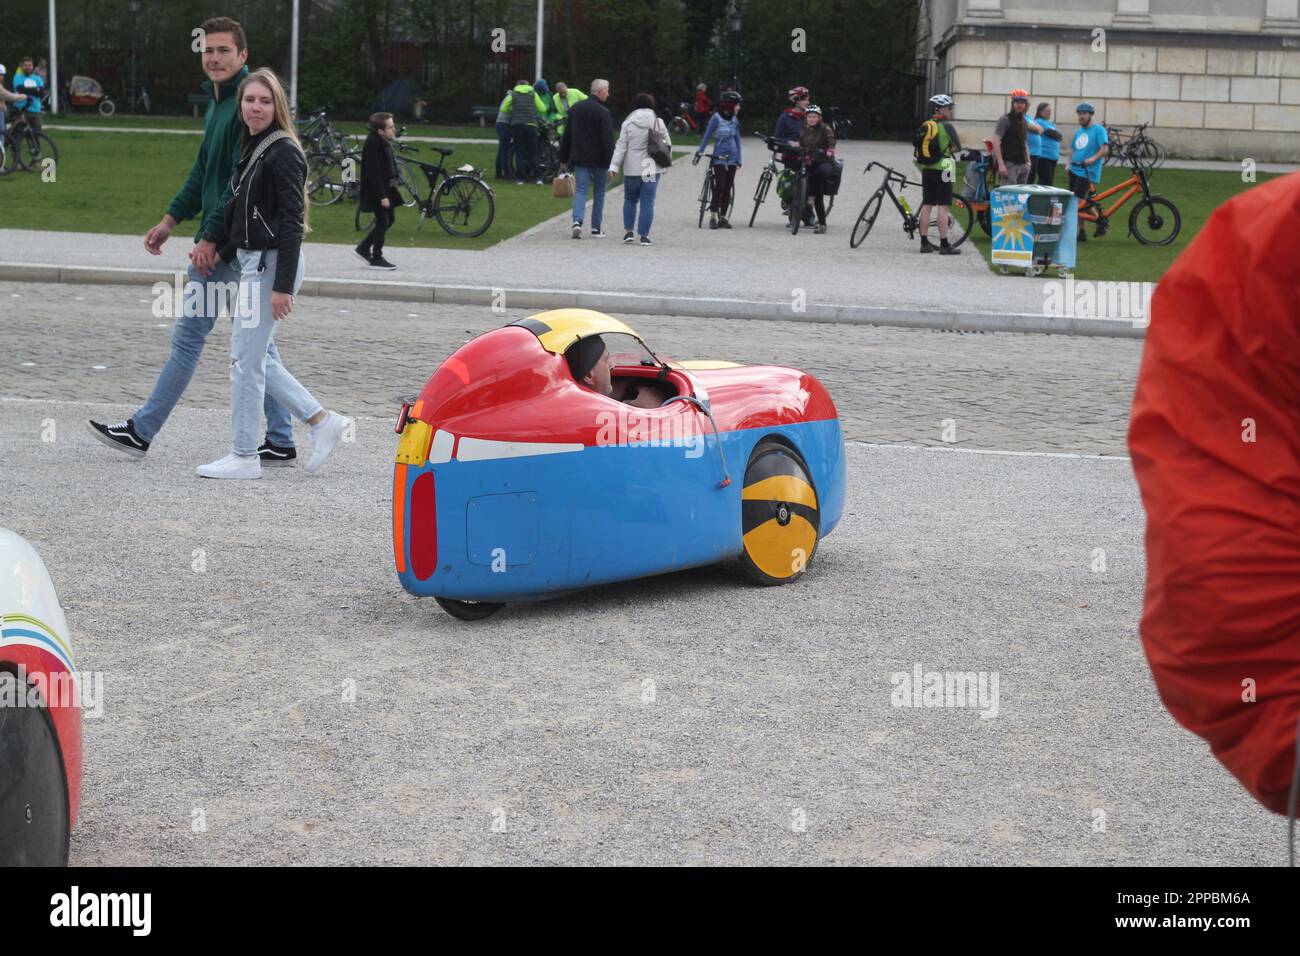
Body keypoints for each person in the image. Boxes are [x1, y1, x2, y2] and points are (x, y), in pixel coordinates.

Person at [87, 17, 298, 467]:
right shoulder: (219, 105)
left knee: (189, 338)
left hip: (227, 246)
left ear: (243, 56)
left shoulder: (245, 105)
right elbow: (203, 173)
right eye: (208, 50)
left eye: (224, 50)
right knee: (260, 347)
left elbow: (233, 189)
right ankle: (282, 437)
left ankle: (142, 431)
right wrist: (169, 220)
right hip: (226, 243)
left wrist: (209, 240)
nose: (214, 58)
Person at [198, 67, 350, 480]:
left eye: (265, 101)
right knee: (256, 357)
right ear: (241, 105)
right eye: (250, 100)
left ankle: (244, 455)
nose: (256, 107)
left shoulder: (283, 151)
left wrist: (282, 287)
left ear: (277, 106)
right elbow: (241, 214)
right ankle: (321, 421)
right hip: (254, 261)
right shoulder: (255, 147)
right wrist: (219, 246)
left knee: (244, 362)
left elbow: (290, 222)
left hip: (270, 266)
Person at [610, 92, 672, 246]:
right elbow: (667, 144)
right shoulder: (658, 122)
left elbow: (621, 146)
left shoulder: (628, 124)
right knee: (647, 201)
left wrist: (614, 166)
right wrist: (665, 164)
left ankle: (628, 232)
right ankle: (644, 235)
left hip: (632, 167)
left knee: (630, 199)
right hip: (650, 167)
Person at [558, 78, 614, 239]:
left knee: (581, 190)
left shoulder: (575, 109)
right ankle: (596, 228)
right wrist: (612, 162)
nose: (608, 94)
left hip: (581, 157)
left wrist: (563, 158)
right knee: (599, 192)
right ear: (600, 91)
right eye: (607, 90)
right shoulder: (603, 112)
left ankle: (577, 221)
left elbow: (567, 136)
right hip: (600, 160)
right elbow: (607, 140)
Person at [913, 93, 963, 255]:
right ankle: (944, 244)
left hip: (927, 168)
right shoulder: (947, 126)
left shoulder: (926, 124)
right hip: (945, 168)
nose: (951, 111)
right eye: (949, 108)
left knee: (927, 205)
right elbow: (958, 147)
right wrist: (948, 149)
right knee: (943, 206)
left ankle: (924, 243)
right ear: (940, 109)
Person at [354, 112, 400, 270]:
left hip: (385, 188)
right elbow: (374, 173)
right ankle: (376, 257)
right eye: (390, 127)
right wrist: (382, 196)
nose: (394, 129)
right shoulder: (373, 144)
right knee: (383, 221)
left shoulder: (382, 141)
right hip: (377, 191)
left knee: (390, 219)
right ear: (380, 131)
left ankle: (363, 248)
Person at [566, 336, 665, 409]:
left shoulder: (568, 405)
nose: (612, 365)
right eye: (606, 359)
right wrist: (638, 409)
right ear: (588, 376)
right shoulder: (592, 413)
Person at [693, 90, 742, 229]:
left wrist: (739, 158)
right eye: (737, 105)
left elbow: (737, 140)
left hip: (732, 158)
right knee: (719, 186)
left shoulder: (734, 120)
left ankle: (723, 218)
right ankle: (713, 216)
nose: (739, 108)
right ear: (730, 105)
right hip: (719, 157)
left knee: (727, 188)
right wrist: (699, 152)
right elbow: (707, 136)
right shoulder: (716, 118)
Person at [990, 88, 1051, 185]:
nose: (1019, 104)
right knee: (1009, 195)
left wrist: (1028, 162)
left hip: (1023, 165)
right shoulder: (1005, 119)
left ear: (1026, 104)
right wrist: (1001, 164)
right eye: (1017, 101)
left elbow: (1024, 141)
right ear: (1012, 103)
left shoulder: (1023, 121)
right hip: (1009, 164)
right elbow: (996, 141)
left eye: (1022, 102)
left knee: (1022, 196)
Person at [1068, 102, 1109, 242]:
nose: (1081, 116)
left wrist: (1093, 158)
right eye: (1079, 114)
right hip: (1074, 169)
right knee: (1077, 202)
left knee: (1077, 202)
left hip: (1087, 172)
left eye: (1084, 114)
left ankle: (1100, 221)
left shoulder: (1098, 130)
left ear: (1090, 115)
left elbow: (1104, 149)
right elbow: (1073, 149)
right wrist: (1068, 164)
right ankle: (1083, 231)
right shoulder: (1079, 131)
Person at [499, 77, 548, 185]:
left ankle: (520, 179)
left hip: (517, 125)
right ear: (528, 85)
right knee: (533, 153)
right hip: (531, 125)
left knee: (519, 153)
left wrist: (514, 109)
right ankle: (539, 178)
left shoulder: (513, 94)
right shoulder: (533, 94)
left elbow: (503, 109)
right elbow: (542, 109)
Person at [799, 105, 836, 235]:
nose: (812, 119)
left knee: (820, 177)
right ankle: (797, 207)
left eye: (814, 116)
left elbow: (831, 141)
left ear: (819, 118)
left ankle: (822, 223)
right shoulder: (804, 130)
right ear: (806, 118)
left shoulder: (825, 128)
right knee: (799, 175)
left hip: (825, 161)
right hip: (811, 161)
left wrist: (830, 150)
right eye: (810, 117)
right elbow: (801, 145)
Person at [10, 56, 44, 136]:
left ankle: (36, 149)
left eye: (30, 65)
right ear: (22, 66)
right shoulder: (17, 78)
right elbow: (20, 89)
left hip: (36, 111)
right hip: (22, 110)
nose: (28, 67)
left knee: (36, 136)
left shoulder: (37, 78)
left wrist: (26, 89)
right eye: (25, 65)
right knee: (17, 135)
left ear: (33, 66)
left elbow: (41, 92)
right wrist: (36, 89)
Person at [1031, 102, 1062, 186]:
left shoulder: (1049, 123)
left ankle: (1045, 197)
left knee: (1049, 181)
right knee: (1045, 179)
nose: (1050, 113)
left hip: (1053, 157)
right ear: (1040, 112)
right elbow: (1051, 133)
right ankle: (1038, 196)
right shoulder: (1038, 122)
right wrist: (1056, 134)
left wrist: (1056, 135)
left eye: (1050, 111)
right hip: (1043, 157)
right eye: (1047, 111)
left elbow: (1059, 136)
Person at [492, 91, 514, 181]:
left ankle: (498, 173)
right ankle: (506, 173)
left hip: (500, 124)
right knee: (504, 150)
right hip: (504, 124)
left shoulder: (509, 97)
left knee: (502, 149)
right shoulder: (513, 98)